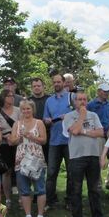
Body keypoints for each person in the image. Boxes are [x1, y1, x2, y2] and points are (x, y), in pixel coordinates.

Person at [63, 90, 108, 217]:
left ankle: (98, 216)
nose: (82, 102)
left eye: (84, 99)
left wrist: (84, 131)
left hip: (93, 156)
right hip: (76, 157)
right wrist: (82, 116)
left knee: (94, 189)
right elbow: (74, 131)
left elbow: (101, 132)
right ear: (74, 101)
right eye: (79, 99)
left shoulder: (93, 115)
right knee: (76, 190)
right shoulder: (69, 116)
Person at [11, 99, 48, 217]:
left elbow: (43, 140)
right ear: (20, 110)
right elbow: (12, 141)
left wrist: (31, 136)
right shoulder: (17, 124)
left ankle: (40, 215)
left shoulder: (39, 123)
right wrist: (20, 137)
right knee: (24, 189)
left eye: (28, 109)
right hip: (21, 160)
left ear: (32, 110)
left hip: (36, 159)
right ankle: (28, 215)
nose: (26, 111)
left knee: (40, 188)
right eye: (23, 109)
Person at [43, 73, 73, 208]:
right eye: (54, 82)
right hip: (54, 141)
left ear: (64, 82)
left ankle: (70, 200)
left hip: (70, 141)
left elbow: (80, 114)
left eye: (58, 82)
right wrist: (47, 121)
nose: (56, 84)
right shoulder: (49, 101)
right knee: (51, 172)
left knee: (71, 172)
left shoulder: (71, 98)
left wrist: (68, 116)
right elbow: (45, 118)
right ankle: (50, 200)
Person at [0, 88, 20, 206]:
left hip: (18, 143)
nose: (12, 98)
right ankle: (8, 198)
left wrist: (14, 137)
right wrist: (6, 136)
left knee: (20, 170)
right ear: (3, 98)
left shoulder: (19, 111)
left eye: (12, 96)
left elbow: (22, 125)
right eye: (9, 96)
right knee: (6, 171)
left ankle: (21, 197)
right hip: (4, 144)